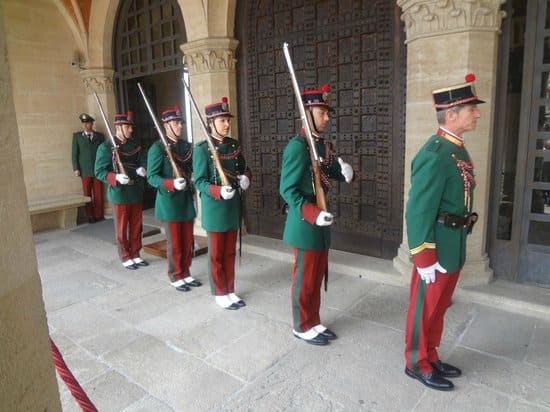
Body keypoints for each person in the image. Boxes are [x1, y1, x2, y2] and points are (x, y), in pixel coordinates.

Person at [404, 73, 483, 391]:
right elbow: (418, 210)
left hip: (453, 243)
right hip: (435, 246)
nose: (477, 113)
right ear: (451, 114)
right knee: (425, 307)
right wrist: (423, 256)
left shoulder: (456, 149)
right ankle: (416, 362)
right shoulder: (435, 154)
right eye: (471, 108)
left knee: (439, 308)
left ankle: (431, 355)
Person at [279, 85, 354, 346]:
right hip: (305, 221)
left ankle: (314, 320)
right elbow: (287, 190)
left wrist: (343, 170)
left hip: (320, 219)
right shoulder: (297, 147)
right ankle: (301, 325)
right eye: (322, 112)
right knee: (305, 277)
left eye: (326, 113)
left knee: (317, 274)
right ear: (307, 113)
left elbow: (327, 171)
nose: (327, 118)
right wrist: (313, 214)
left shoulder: (322, 146)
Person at [193, 97, 251, 310]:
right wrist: (218, 191)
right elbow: (199, 181)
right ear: (211, 123)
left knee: (230, 252)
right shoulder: (202, 149)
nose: (227, 124)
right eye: (222, 120)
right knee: (217, 254)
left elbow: (245, 169)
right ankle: (219, 292)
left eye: (228, 120)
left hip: (233, 207)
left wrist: (246, 178)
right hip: (216, 209)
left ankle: (230, 289)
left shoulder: (233, 145)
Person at [147, 106, 200, 292]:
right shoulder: (157, 148)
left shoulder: (185, 146)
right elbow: (152, 177)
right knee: (175, 242)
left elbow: (192, 167)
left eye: (180, 123)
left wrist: (194, 178)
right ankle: (175, 275)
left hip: (185, 199)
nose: (180, 126)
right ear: (166, 125)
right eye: (176, 123)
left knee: (187, 241)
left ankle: (186, 272)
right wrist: (170, 184)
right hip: (169, 201)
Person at [94, 111, 148, 270]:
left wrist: (143, 168)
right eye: (127, 126)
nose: (131, 130)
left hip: (135, 190)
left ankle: (136, 253)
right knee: (122, 227)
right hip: (120, 193)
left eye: (131, 126)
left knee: (137, 226)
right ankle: (125, 255)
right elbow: (99, 171)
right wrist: (115, 177)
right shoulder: (105, 147)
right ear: (118, 127)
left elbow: (143, 159)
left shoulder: (134, 144)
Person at [72, 113, 105, 223]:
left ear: (92, 124)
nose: (85, 125)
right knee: (87, 194)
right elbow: (74, 154)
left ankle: (99, 215)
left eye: (88, 123)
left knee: (98, 193)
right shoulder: (77, 137)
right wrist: (76, 168)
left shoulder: (99, 136)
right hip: (85, 170)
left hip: (97, 169)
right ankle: (90, 216)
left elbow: (104, 153)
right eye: (83, 123)